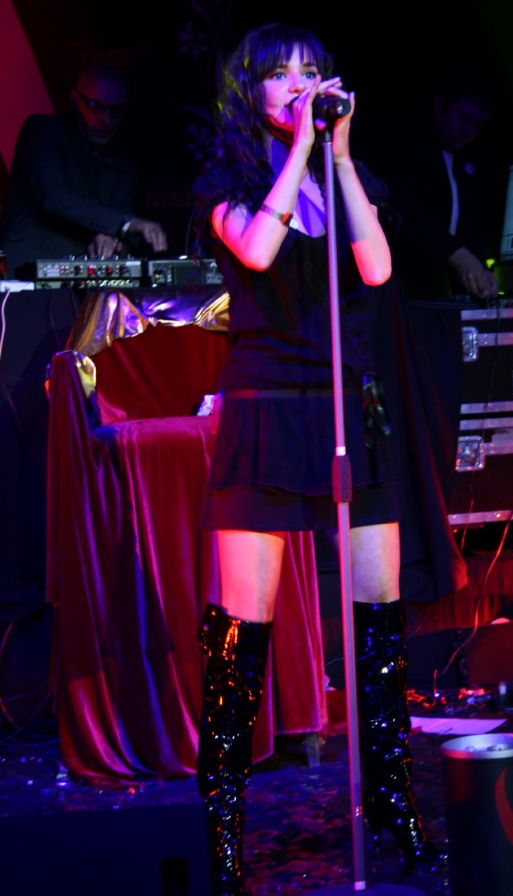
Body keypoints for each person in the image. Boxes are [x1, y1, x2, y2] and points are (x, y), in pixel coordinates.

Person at [193, 23, 445, 896]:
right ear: (251, 90)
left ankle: (396, 813)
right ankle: (225, 838)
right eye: (282, 73)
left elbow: (375, 270)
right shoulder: (227, 184)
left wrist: (336, 158)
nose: (300, 83)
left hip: (348, 406)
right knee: (240, 636)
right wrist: (301, 150)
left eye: (312, 70)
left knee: (378, 629)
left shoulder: (345, 177)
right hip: (268, 410)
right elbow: (259, 251)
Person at [0, 65, 167, 278]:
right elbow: (54, 196)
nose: (106, 120)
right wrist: (126, 223)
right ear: (74, 100)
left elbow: (128, 242)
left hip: (89, 288)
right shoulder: (43, 132)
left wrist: (114, 242)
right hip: (26, 278)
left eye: (116, 110)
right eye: (96, 106)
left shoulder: (125, 172)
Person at [388, 63, 502, 301]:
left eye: (478, 124)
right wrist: (460, 256)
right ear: (440, 105)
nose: (469, 130)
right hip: (397, 288)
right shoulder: (402, 139)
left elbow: (478, 227)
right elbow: (408, 211)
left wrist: (482, 267)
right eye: (463, 117)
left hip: (438, 293)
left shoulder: (472, 160)